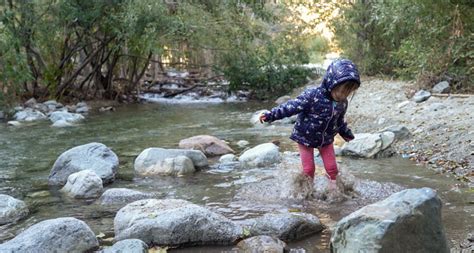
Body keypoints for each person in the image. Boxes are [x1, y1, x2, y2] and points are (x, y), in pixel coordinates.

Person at [259, 59, 360, 187]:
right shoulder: (312, 96)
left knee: (333, 169)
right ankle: (307, 193)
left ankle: (334, 192)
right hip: (305, 137)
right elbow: (291, 106)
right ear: (331, 82)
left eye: (347, 92)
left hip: (326, 140)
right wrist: (271, 115)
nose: (342, 95)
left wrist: (345, 133)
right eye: (340, 90)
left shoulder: (342, 103)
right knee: (308, 170)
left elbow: (339, 121)